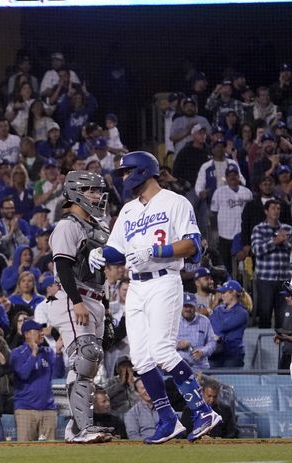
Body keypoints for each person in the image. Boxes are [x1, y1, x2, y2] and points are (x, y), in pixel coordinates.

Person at [94, 151, 221, 444]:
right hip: (136, 286)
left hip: (164, 281)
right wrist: (100, 253)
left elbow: (192, 245)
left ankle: (203, 412)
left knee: (163, 352)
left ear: (143, 171)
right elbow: (117, 249)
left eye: (127, 171)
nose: (124, 177)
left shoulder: (175, 202)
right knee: (140, 359)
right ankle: (168, 419)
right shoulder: (128, 210)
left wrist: (155, 251)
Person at [47, 171, 112, 443]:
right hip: (73, 297)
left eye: (98, 191)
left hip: (94, 298)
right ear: (76, 193)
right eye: (91, 191)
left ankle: (77, 427)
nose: (97, 196)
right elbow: (62, 266)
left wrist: (106, 309)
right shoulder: (67, 225)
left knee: (89, 364)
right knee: (85, 356)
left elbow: (100, 274)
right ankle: (81, 428)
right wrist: (76, 302)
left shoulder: (97, 226)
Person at [11, 320, 60, 441]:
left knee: (51, 450)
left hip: (48, 409)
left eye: (42, 330)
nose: (41, 333)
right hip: (25, 409)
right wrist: (34, 354)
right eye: (38, 330)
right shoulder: (17, 353)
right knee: (25, 449)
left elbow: (58, 373)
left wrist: (59, 353)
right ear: (27, 334)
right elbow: (23, 374)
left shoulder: (48, 352)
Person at [250, 198, 292, 328]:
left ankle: (282, 340)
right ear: (266, 211)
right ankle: (264, 340)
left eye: (278, 208)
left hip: (285, 280)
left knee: (283, 318)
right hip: (265, 280)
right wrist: (275, 242)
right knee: (265, 315)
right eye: (273, 208)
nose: (276, 211)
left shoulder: (288, 229)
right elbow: (256, 250)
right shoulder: (259, 229)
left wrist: (285, 242)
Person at [209, 280, 250, 368]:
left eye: (224, 292)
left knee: (229, 376)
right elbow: (210, 325)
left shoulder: (242, 313)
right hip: (216, 352)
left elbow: (222, 327)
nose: (222, 295)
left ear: (233, 293)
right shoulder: (218, 309)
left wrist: (213, 318)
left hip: (233, 354)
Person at [177, 292, 218, 372]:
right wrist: (177, 345)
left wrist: (202, 352)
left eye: (191, 306)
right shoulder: (173, 322)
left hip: (200, 367)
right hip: (179, 367)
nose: (188, 309)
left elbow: (212, 342)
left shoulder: (204, 321)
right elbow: (165, 343)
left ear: (196, 307)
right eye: (185, 306)